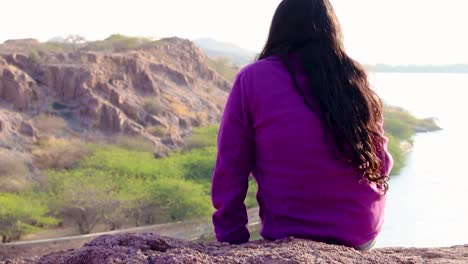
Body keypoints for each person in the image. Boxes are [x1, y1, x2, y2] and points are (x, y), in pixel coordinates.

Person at [211, 0, 393, 251]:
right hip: (359, 232)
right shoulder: (353, 78)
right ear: (333, 31)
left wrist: (231, 237)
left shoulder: (252, 79)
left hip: (289, 231)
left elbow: (231, 166)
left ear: (278, 29)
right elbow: (381, 161)